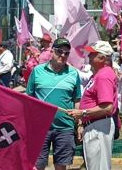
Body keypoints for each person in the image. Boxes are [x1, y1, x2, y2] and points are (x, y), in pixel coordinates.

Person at [26, 38, 82, 170]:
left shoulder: (73, 74)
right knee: (36, 166)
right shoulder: (37, 71)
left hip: (65, 127)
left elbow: (77, 101)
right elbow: (29, 99)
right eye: (59, 51)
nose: (62, 55)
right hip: (39, 127)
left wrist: (79, 124)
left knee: (61, 166)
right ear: (52, 51)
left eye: (66, 53)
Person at [68, 41, 118, 170]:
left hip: (99, 126)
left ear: (102, 58)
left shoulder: (103, 76)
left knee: (99, 167)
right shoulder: (98, 75)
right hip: (94, 125)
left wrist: (82, 113)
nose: (89, 56)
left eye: (93, 54)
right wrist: (82, 123)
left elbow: (107, 108)